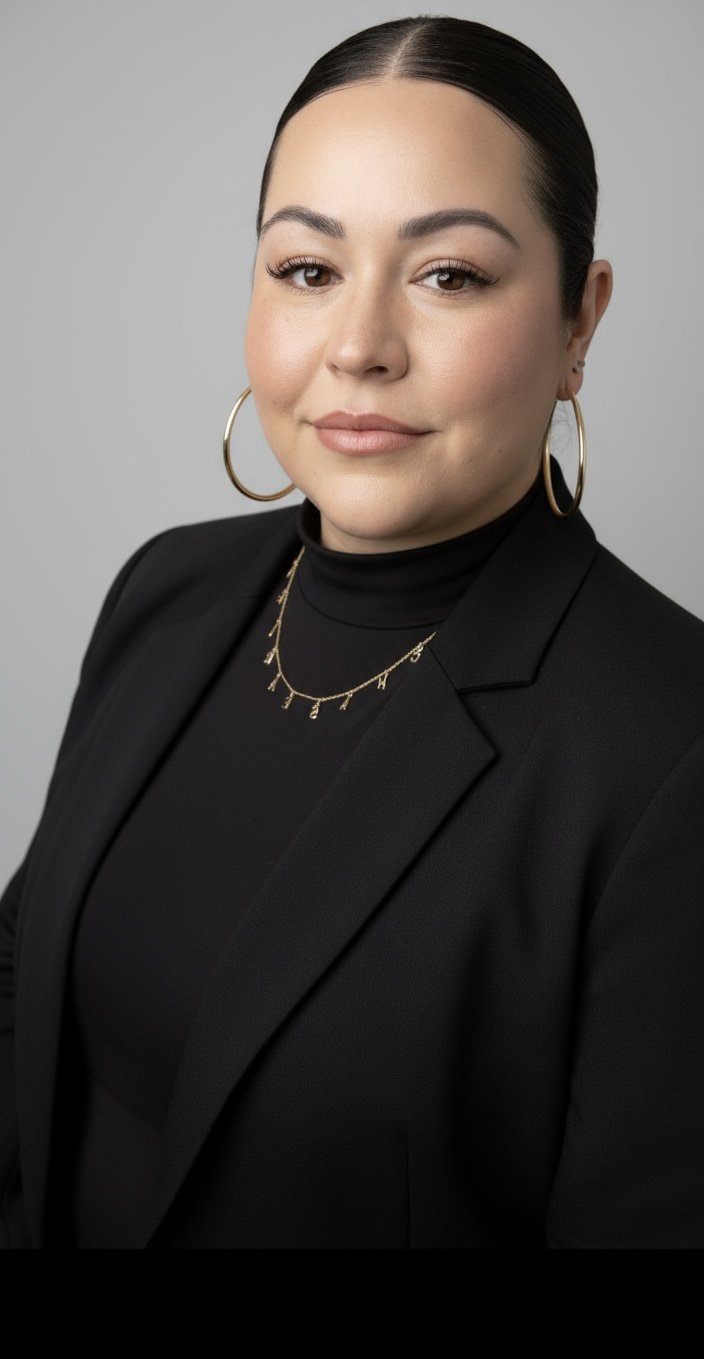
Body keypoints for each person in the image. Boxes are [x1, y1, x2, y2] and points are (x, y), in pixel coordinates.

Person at [2, 14, 703, 1251]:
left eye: (449, 276)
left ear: (577, 322)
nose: (359, 348)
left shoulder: (670, 748)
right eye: (307, 270)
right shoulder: (166, 593)